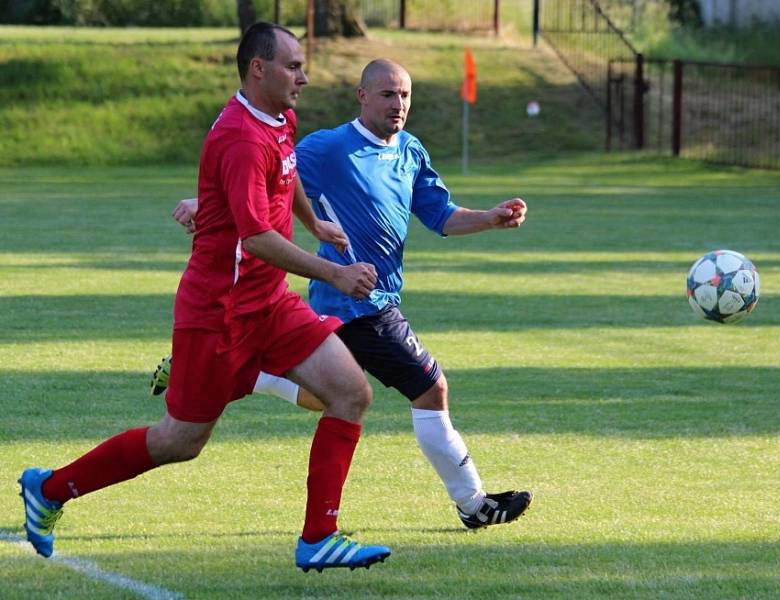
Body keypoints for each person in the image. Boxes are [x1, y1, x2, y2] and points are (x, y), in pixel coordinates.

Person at [19, 22, 391, 573]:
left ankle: (319, 537)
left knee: (351, 393)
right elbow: (256, 238)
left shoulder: (279, 116)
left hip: (270, 304)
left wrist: (313, 222)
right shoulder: (241, 136)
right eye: (293, 66)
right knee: (180, 441)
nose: (304, 77)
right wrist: (333, 275)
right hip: (217, 315)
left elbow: (286, 177)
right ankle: (49, 488)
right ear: (257, 69)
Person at [156, 58, 532, 529]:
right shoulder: (330, 148)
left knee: (327, 398)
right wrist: (204, 202)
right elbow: (262, 174)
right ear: (363, 95)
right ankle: (473, 503)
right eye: (388, 94)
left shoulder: (410, 151)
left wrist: (490, 218)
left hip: (376, 298)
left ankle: (240, 372)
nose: (398, 105)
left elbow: (440, 216)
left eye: (406, 96)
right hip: (354, 302)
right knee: (431, 388)